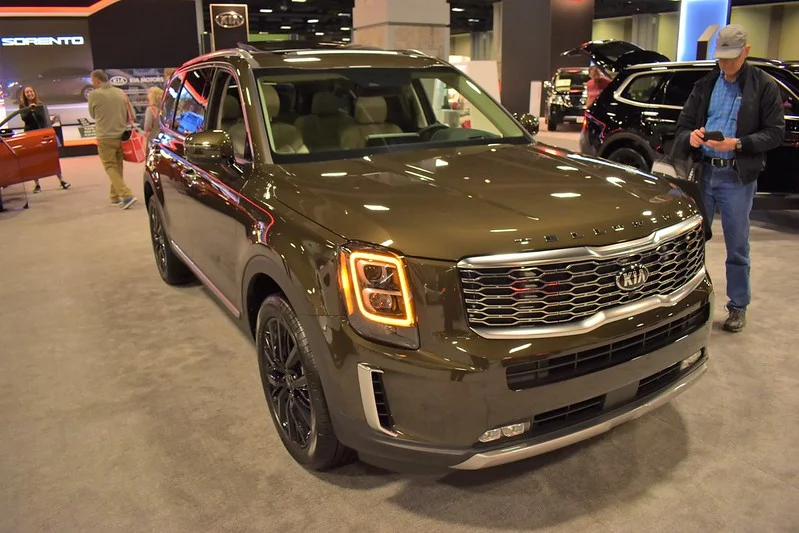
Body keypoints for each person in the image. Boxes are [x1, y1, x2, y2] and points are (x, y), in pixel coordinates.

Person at [675, 24, 785, 333]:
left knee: (737, 247)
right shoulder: (706, 84)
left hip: (737, 177)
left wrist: (737, 144)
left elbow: (776, 132)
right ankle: (687, 305)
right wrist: (692, 137)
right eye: (720, 58)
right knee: (691, 243)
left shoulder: (763, 86)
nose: (725, 65)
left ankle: (738, 306)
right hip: (703, 174)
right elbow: (683, 125)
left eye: (731, 59)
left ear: (746, 52)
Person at [87, 69, 137, 209]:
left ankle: (126, 195)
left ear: (97, 80)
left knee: (109, 166)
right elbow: (131, 113)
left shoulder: (94, 94)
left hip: (105, 136)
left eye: (92, 81)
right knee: (118, 165)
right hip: (121, 135)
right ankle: (114, 197)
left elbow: (92, 114)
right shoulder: (120, 92)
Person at [18, 86, 71, 193]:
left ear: (34, 93)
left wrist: (37, 109)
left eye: (31, 91)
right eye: (27, 92)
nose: (29, 93)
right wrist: (29, 109)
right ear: (24, 94)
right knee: (33, 160)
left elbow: (43, 119)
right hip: (31, 135)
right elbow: (24, 118)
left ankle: (61, 181)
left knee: (51, 158)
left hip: (42, 135)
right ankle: (37, 185)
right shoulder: (22, 106)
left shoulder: (40, 104)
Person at [143, 86, 163, 153]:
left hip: (151, 138)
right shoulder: (163, 110)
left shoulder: (150, 109)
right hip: (161, 138)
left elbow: (147, 127)